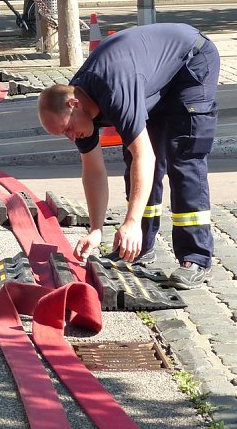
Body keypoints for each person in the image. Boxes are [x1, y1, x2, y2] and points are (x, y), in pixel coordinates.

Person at [37, 23, 220, 290]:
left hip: (192, 61)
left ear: (74, 105)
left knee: (183, 155)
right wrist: (96, 230)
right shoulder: (80, 110)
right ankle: (140, 248)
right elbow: (93, 170)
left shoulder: (114, 89)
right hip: (151, 75)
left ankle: (196, 257)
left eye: (67, 129)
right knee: (135, 159)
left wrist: (131, 222)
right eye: (63, 134)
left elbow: (144, 156)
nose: (71, 136)